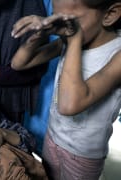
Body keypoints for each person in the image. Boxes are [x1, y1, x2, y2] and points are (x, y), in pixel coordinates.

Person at [10, 0, 121, 179]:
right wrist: (40, 34)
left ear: (110, 15)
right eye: (57, 18)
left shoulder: (116, 54)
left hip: (83, 155)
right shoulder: (67, 40)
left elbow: (69, 106)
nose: (63, 26)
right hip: (52, 138)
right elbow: (19, 63)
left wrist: (74, 38)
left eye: (70, 19)